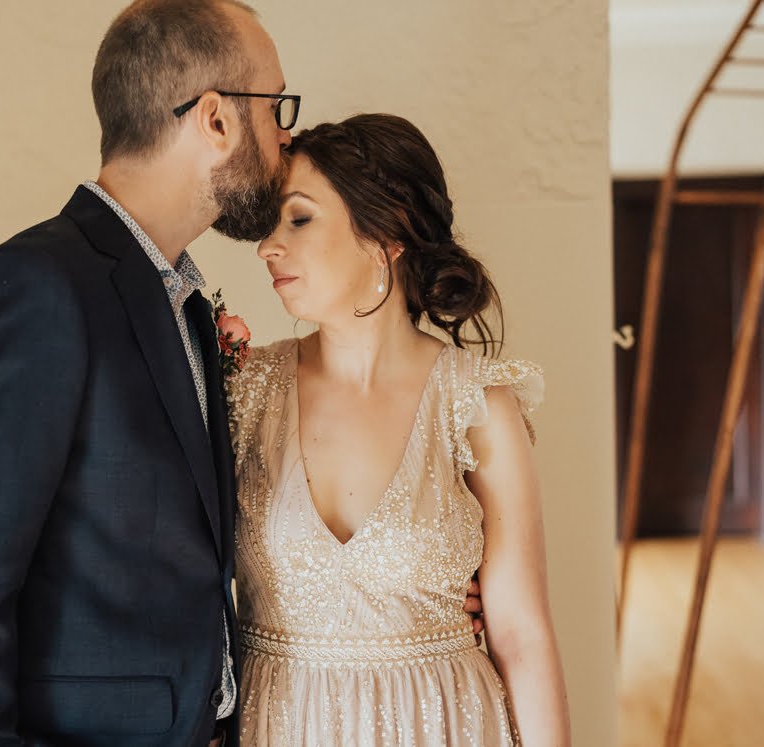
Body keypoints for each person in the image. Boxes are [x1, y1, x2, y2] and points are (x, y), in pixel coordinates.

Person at [0, 2, 293, 744]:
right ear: (215, 119)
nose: (286, 134)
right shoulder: (35, 289)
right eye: (276, 107)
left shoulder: (182, 301)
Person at [228, 113, 571, 746]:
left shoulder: (477, 405)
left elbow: (522, 637)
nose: (267, 247)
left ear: (388, 231)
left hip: (445, 725)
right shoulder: (245, 391)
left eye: (299, 219)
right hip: (278, 725)